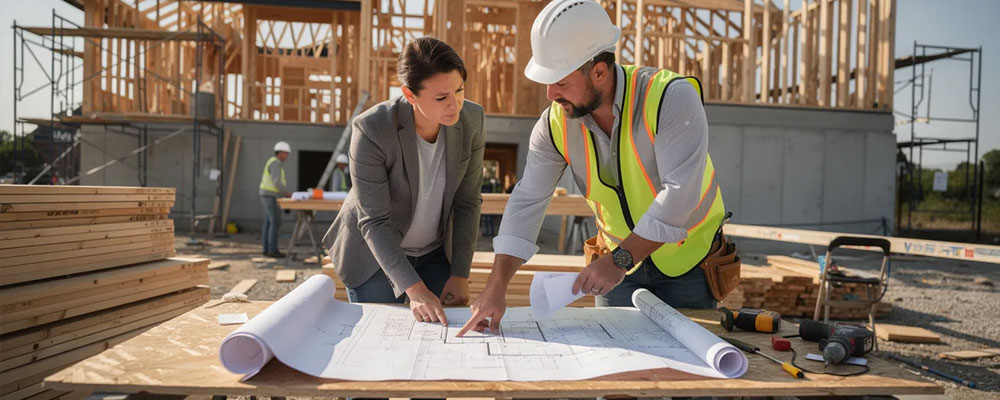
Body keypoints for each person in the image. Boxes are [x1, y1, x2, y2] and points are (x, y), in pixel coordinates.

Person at [459, 0, 731, 336]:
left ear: (598, 71)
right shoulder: (555, 124)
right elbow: (527, 200)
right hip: (614, 269)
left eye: (560, 81)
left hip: (688, 264)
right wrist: (497, 286)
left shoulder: (669, 97)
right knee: (617, 375)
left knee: (687, 374)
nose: (549, 94)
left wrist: (619, 260)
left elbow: (680, 194)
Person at [322, 36, 485, 326]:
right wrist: (416, 290)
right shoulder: (372, 129)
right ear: (409, 95)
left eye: (459, 90)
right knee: (378, 337)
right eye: (441, 97)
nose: (455, 104)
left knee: (440, 339)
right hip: (373, 255)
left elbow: (468, 202)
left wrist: (461, 273)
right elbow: (373, 221)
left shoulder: (472, 119)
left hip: (435, 253)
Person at [259, 141, 293, 258]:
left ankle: (266, 249)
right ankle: (272, 250)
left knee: (269, 222)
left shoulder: (274, 162)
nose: (287, 156)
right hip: (270, 195)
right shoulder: (275, 163)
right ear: (281, 153)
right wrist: (287, 193)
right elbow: (277, 182)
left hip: (268, 195)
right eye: (286, 153)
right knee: (275, 222)